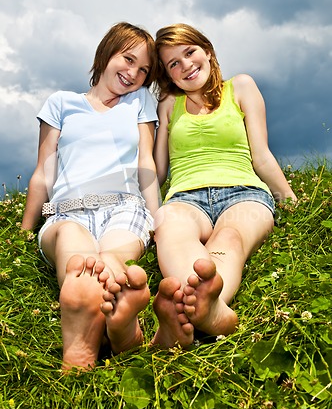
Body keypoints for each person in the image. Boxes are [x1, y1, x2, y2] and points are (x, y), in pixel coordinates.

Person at [21, 22, 160, 370]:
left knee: (113, 252)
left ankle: (102, 324)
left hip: (124, 205)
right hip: (68, 210)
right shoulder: (61, 103)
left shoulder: (140, 102)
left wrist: (158, 220)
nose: (133, 74)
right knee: (74, 249)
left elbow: (146, 163)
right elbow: (44, 171)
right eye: (127, 60)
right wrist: (25, 229)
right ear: (106, 53)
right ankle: (111, 327)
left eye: (143, 70)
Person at [151, 23, 297, 349]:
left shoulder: (241, 87)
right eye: (174, 63)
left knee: (230, 235)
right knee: (168, 226)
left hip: (244, 192)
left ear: (208, 51)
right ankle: (203, 307)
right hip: (186, 198)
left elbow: (261, 155)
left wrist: (290, 201)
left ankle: (209, 302)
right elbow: (158, 170)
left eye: (190, 53)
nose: (185, 65)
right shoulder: (168, 106)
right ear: (168, 76)